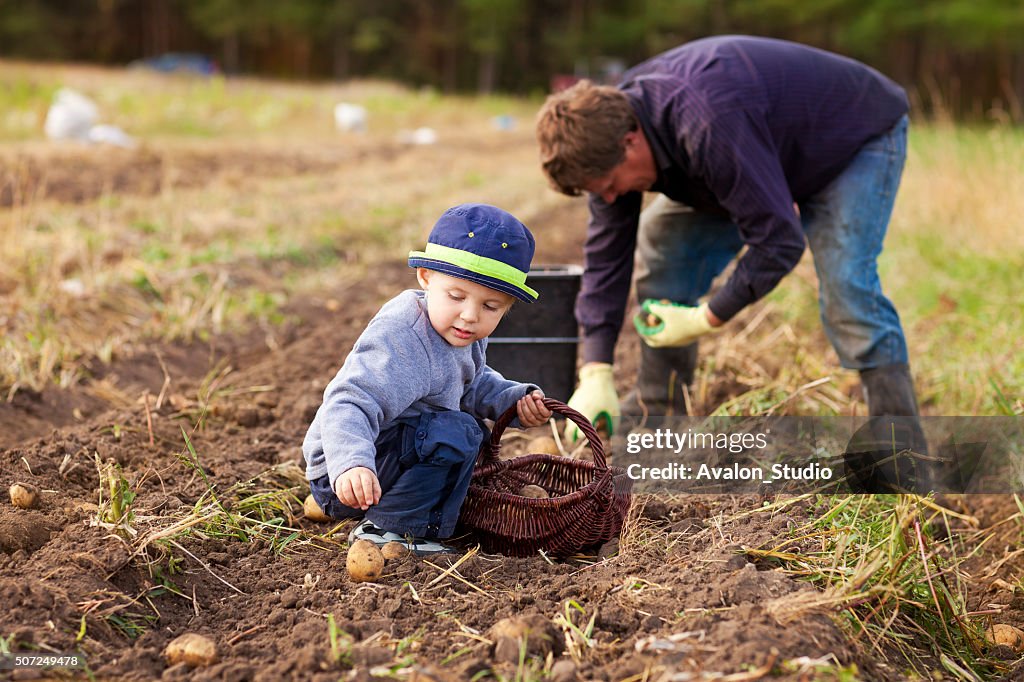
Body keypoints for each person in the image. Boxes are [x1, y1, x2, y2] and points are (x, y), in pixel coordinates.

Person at [535, 35, 921, 440]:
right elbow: (606, 258)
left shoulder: (706, 124)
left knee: (847, 283)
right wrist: (595, 370)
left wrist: (706, 317)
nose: (611, 199)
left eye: (611, 185)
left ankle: (899, 438)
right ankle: (660, 407)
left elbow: (779, 241)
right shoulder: (604, 138)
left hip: (851, 141)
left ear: (629, 142)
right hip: (758, 155)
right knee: (664, 239)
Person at [302, 203, 553, 554]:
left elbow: (471, 382)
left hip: (382, 462)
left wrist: (513, 401)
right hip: (346, 472)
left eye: (490, 307)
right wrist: (352, 464)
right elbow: (349, 401)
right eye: (456, 296)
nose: (470, 315)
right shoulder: (402, 337)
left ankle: (414, 512)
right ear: (425, 278)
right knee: (459, 432)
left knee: (467, 430)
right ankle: (391, 530)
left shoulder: (460, 332)